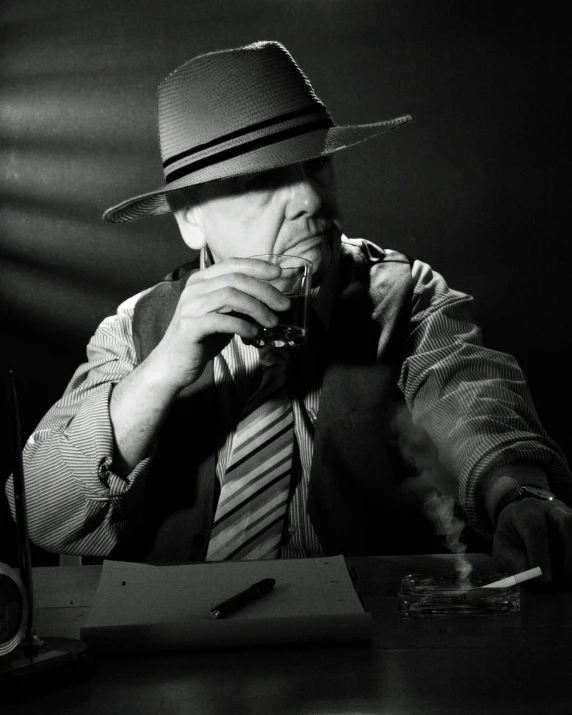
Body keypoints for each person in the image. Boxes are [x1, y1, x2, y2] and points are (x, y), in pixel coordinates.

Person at [7, 41, 572, 581]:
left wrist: (519, 493)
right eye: (266, 180)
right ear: (189, 218)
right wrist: (161, 373)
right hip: (180, 649)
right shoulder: (136, 327)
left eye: (315, 167)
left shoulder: (406, 295)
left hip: (368, 640)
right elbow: (40, 512)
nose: (309, 200)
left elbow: (472, 399)